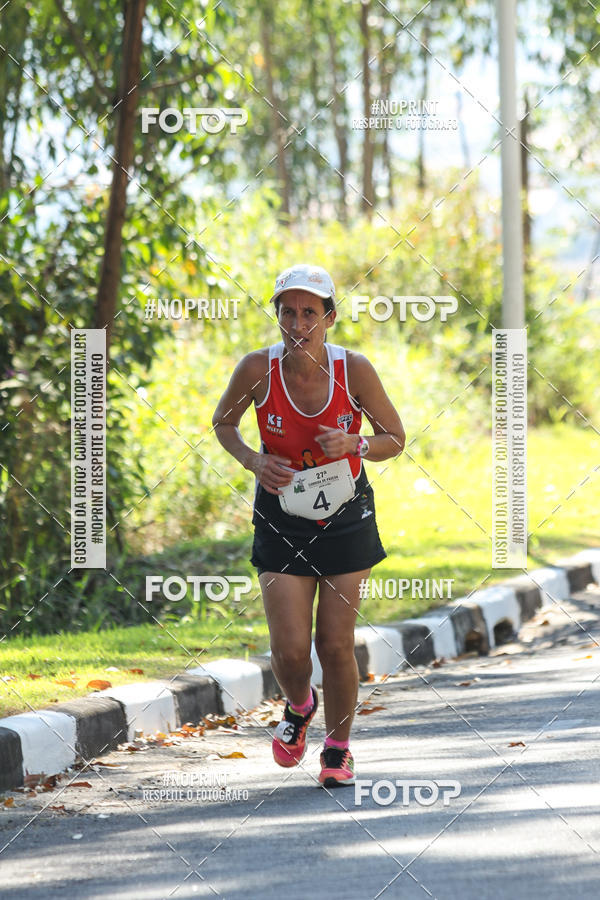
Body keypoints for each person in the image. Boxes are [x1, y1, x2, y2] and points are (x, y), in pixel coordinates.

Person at [212, 264, 405, 787]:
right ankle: (300, 705)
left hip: (346, 515)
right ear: (277, 316)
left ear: (330, 318)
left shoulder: (354, 370)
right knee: (292, 650)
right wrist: (254, 460)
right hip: (282, 516)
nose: (298, 323)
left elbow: (394, 436)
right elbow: (223, 422)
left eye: (309, 313)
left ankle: (338, 749)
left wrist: (356, 444)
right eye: (288, 312)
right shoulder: (257, 369)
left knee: (335, 644)